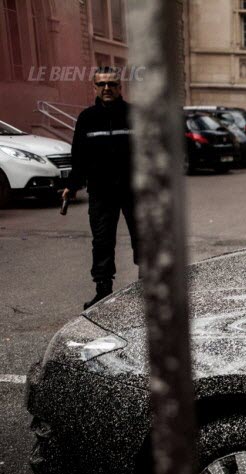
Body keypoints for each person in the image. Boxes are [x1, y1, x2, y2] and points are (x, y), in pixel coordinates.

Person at [61, 67, 139, 309]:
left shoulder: (135, 115)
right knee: (102, 242)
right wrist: (72, 185)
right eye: (102, 84)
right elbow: (78, 155)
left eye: (112, 84)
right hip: (101, 192)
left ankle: (147, 288)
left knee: (143, 238)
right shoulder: (87, 118)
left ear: (120, 87)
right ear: (94, 87)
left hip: (134, 191)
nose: (107, 88)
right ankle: (103, 292)